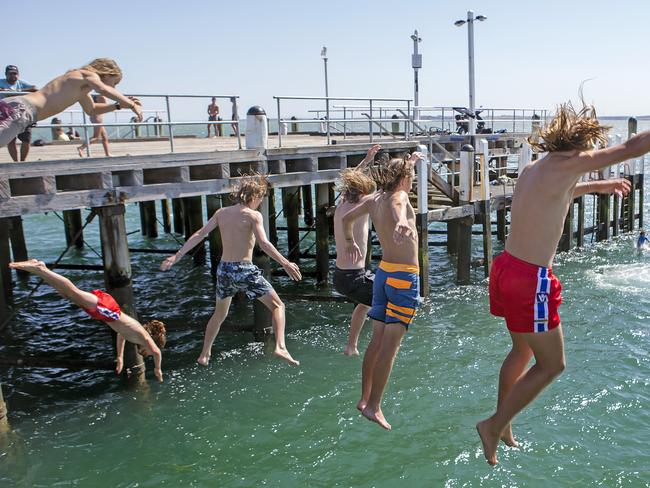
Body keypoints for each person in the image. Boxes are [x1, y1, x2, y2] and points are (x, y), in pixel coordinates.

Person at [477, 100, 635, 466]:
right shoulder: (572, 163)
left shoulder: (536, 168)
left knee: (521, 352)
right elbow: (630, 148)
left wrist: (601, 185)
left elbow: (557, 194)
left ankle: (504, 425)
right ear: (583, 143)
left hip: (506, 268)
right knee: (553, 365)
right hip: (531, 281)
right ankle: (493, 424)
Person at [160, 174, 302, 367]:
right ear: (254, 196)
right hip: (244, 269)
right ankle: (280, 346)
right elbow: (264, 244)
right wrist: (285, 263)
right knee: (278, 306)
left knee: (219, 315)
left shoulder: (221, 212)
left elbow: (200, 234)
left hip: (224, 270)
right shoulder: (253, 215)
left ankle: (204, 353)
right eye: (260, 198)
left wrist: (176, 256)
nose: (260, 203)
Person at [341, 152, 423, 430]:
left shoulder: (373, 199)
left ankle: (364, 399)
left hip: (383, 274)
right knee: (391, 345)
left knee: (376, 341)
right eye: (410, 177)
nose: (412, 182)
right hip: (403, 277)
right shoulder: (399, 197)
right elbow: (399, 203)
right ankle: (375, 407)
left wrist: (411, 161)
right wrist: (401, 220)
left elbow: (345, 220)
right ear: (403, 179)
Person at [8, 259, 166, 381]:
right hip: (109, 310)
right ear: (151, 340)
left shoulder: (134, 335)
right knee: (73, 292)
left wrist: (120, 357)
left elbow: (121, 334)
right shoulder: (144, 337)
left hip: (106, 313)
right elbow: (157, 352)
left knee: (67, 295)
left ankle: (40, 271)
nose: (144, 354)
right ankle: (41, 267)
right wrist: (157, 369)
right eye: (146, 354)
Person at [0, 58, 143, 148]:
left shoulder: (80, 87)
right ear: (107, 74)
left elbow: (91, 110)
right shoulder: (87, 74)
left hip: (19, 107)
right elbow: (102, 88)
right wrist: (132, 105)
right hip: (23, 110)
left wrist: (117, 106)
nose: (114, 88)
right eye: (115, 82)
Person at [333, 144, 380, 356]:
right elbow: (389, 191)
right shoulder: (364, 203)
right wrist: (411, 165)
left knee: (364, 304)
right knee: (389, 298)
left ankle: (351, 345)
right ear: (362, 192)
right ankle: (382, 344)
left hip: (341, 277)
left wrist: (367, 159)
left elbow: (351, 179)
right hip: (354, 278)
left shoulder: (342, 203)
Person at [0, 65, 38, 161]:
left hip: (22, 114)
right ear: (6, 74)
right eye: (10, 73)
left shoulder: (21, 83)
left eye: (15, 73)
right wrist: (4, 91)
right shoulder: (1, 82)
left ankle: (23, 162)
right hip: (6, 115)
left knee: (26, 140)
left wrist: (18, 91)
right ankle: (15, 162)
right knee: (11, 140)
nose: (13, 75)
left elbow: (35, 88)